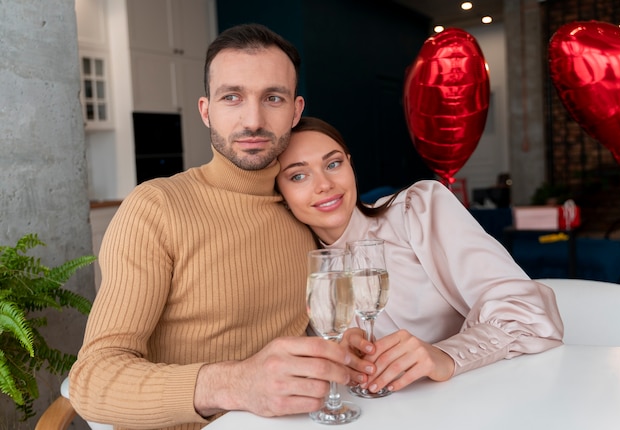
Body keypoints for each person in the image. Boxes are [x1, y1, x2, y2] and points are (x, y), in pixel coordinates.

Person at [69, 25, 361, 430]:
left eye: (272, 98)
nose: (253, 120)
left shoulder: (302, 207)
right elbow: (91, 382)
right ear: (206, 110)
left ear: (295, 111)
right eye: (232, 97)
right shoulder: (155, 208)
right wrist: (235, 383)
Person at [276, 116, 564, 394]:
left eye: (333, 163)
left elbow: (529, 313)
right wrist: (342, 357)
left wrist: (446, 355)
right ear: (280, 195)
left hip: (484, 396)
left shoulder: (418, 211)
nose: (324, 184)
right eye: (298, 176)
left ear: (350, 165)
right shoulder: (299, 271)